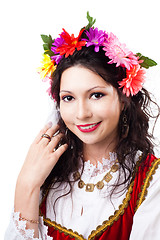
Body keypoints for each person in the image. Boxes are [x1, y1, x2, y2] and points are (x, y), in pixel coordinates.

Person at [5, 12, 160, 240]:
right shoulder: (45, 174)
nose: (82, 113)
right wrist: (26, 185)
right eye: (68, 98)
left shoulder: (151, 179)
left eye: (96, 95)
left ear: (124, 98)